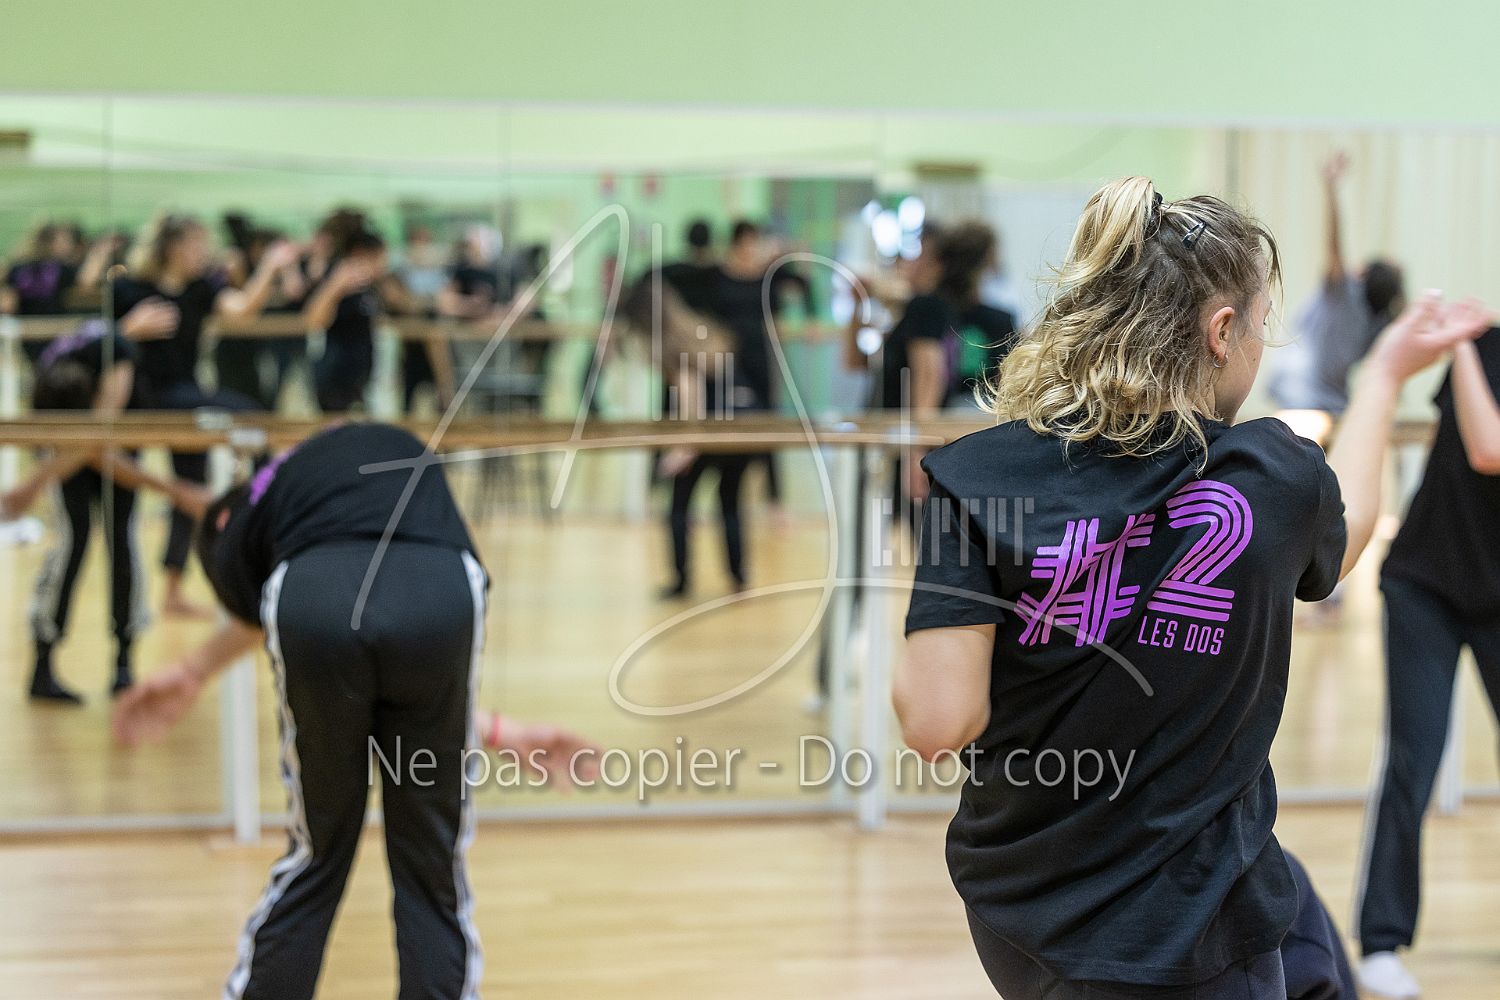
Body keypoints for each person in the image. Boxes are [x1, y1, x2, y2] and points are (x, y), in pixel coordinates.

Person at [891, 176, 1487, 999]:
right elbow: (1347, 528)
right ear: (1220, 331)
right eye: (1260, 326)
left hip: (1019, 909)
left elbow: (936, 723)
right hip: (1186, 932)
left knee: (1309, 936)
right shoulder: (1268, 476)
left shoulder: (976, 475)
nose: (1260, 346)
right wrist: (1384, 376)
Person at [111, 422, 600, 1000]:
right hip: (439, 589)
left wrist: (195, 668)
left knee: (317, 852)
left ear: (223, 526)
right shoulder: (307, 473)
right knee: (431, 863)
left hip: (318, 600)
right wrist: (499, 730)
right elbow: (397, 668)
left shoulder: (248, 525)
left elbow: (300, 610)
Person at [1354, 325, 1500, 999]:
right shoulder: (1488, 346)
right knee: (1413, 759)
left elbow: (1492, 449)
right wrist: (1465, 342)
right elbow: (1480, 444)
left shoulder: (1477, 344)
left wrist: (1460, 342)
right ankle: (1381, 943)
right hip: (1426, 585)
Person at [4, 319, 207, 702]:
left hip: (88, 448)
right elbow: (92, 443)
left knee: (115, 543)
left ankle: (121, 664)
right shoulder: (91, 363)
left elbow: (97, 442)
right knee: (74, 544)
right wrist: (176, 491)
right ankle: (60, 663)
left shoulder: (98, 354)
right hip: (70, 450)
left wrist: (34, 483)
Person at [113, 213, 298, 617]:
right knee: (124, 500)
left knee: (192, 486)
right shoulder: (128, 288)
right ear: (173, 246)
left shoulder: (200, 289)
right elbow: (96, 343)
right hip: (138, 402)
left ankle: (174, 591)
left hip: (185, 399)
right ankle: (129, 601)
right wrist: (128, 329)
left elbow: (242, 309)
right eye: (197, 243)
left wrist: (269, 268)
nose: (204, 252)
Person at [625, 278, 754, 598]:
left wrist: (681, 452)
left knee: (679, 507)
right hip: (741, 427)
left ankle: (681, 580)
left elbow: (691, 400)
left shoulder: (673, 343)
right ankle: (738, 576)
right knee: (730, 503)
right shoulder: (700, 329)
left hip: (711, 433)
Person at [1269, 152, 1406, 445]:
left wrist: (1331, 188)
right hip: (1333, 402)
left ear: (1362, 275)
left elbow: (1334, 244)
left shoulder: (1345, 294)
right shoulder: (1380, 320)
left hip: (1300, 396)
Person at [303, 227, 388, 413]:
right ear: (359, 254)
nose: (382, 264)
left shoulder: (370, 286)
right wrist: (337, 286)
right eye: (378, 258)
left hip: (359, 375)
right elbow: (314, 320)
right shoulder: (337, 277)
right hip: (335, 374)